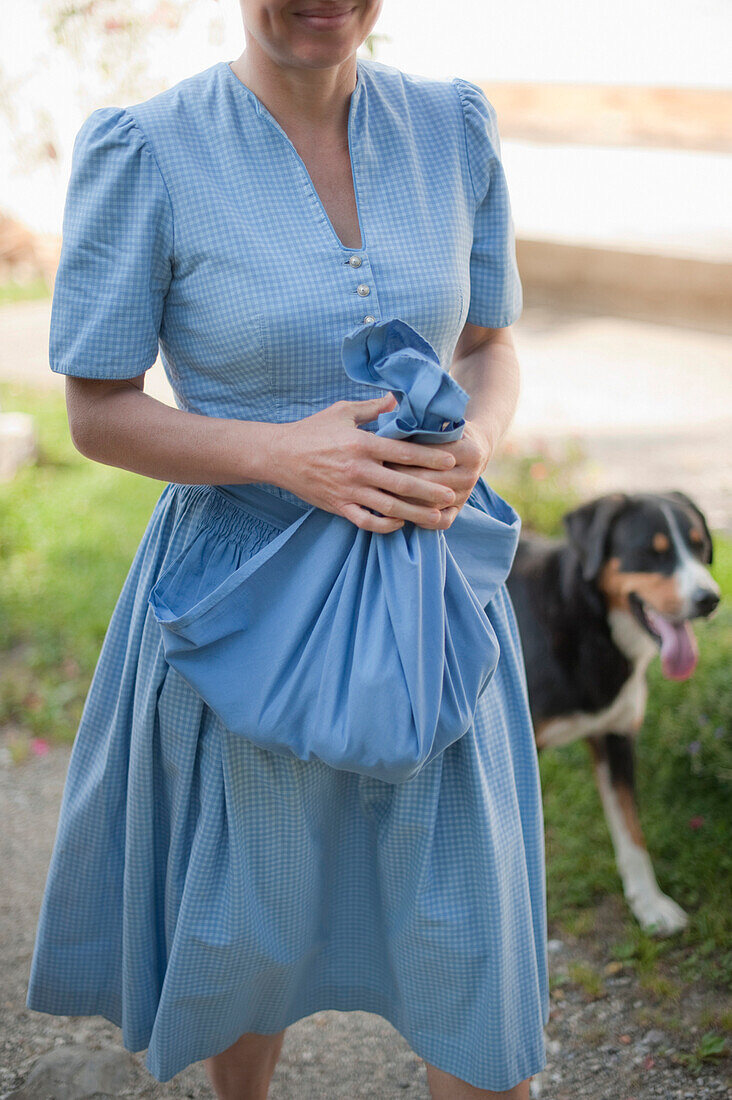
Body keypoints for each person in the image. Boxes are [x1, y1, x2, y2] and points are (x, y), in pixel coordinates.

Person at [25, 1, 550, 1097]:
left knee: (470, 931)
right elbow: (98, 410)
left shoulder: (454, 126)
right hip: (240, 603)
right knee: (249, 924)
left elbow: (491, 345)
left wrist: (478, 439)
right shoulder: (149, 148)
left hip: (432, 596)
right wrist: (281, 455)